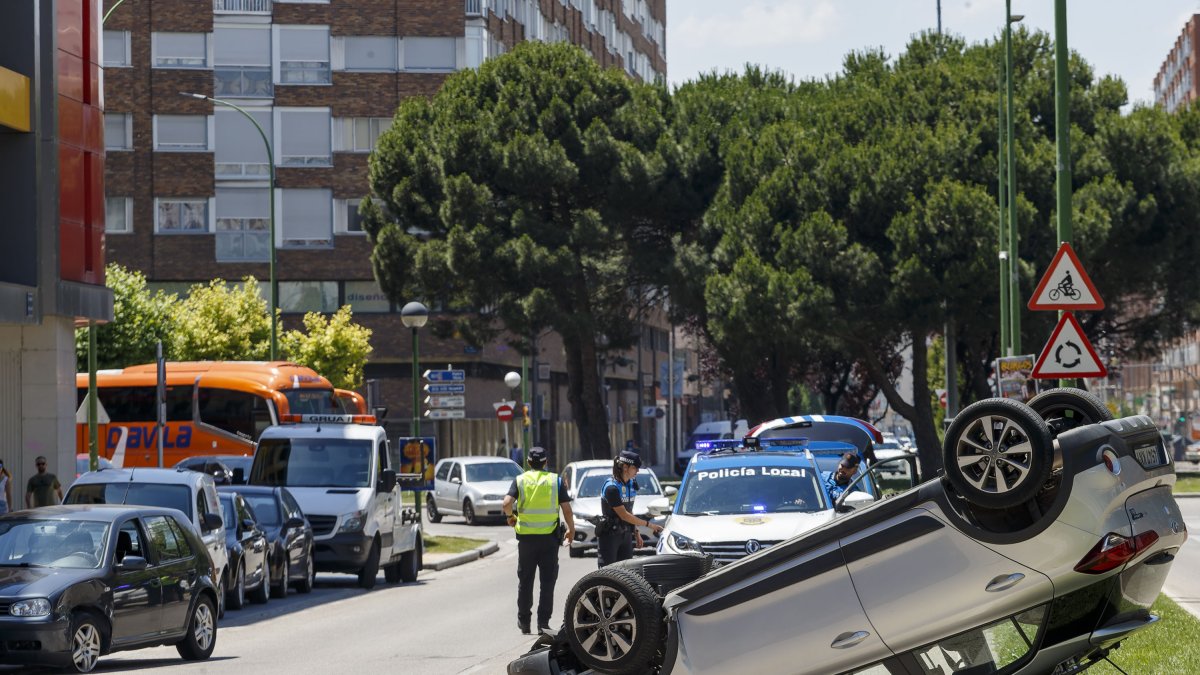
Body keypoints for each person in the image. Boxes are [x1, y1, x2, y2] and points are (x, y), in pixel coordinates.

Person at [502, 446, 574, 634]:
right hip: (549, 540)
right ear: (545, 462)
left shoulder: (520, 480)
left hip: (526, 541)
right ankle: (543, 624)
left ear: (527, 463)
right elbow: (566, 509)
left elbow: (506, 503)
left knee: (525, 581)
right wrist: (571, 529)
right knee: (547, 583)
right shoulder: (554, 481)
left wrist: (510, 517)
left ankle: (524, 622)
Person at [597, 451, 663, 568]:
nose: (638, 471)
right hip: (610, 536)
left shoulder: (630, 484)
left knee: (626, 572)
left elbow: (629, 510)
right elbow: (624, 515)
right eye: (635, 468)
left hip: (626, 534)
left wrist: (636, 532)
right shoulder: (611, 487)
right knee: (608, 573)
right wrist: (649, 525)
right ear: (625, 467)